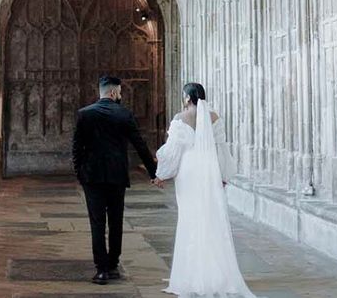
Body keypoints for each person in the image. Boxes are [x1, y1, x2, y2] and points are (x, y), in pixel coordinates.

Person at [154, 82, 257, 297]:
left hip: (189, 171)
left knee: (189, 219)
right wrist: (223, 175)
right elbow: (221, 147)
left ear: (188, 98)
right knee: (211, 218)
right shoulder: (214, 117)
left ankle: (191, 274)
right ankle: (214, 273)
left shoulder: (180, 119)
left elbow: (173, 151)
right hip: (209, 170)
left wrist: (161, 174)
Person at [72, 75, 159, 285]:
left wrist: (80, 174)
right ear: (113, 92)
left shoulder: (84, 114)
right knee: (116, 221)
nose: (120, 95)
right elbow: (140, 145)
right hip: (116, 176)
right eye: (120, 92)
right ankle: (113, 265)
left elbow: (76, 148)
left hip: (92, 177)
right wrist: (154, 173)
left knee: (97, 223)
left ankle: (101, 270)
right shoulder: (124, 114)